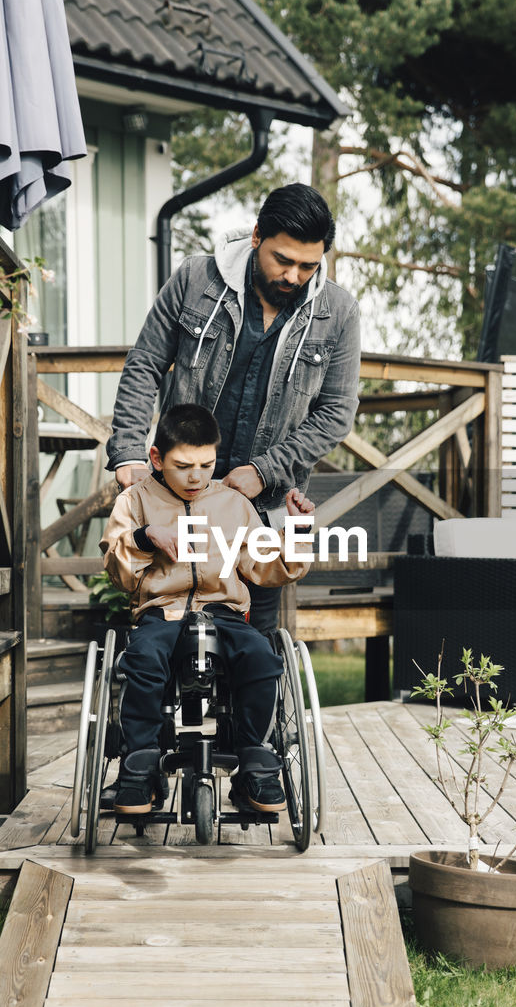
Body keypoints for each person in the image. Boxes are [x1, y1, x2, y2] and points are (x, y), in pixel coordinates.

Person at [106, 182, 360, 633]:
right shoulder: (194, 279)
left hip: (263, 506)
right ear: (257, 236)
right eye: (283, 260)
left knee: (253, 644)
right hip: (175, 493)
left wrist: (263, 470)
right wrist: (128, 452)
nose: (293, 276)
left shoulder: (338, 312)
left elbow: (335, 414)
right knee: (165, 633)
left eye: (308, 266)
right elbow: (144, 364)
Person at [98, 403, 315, 816]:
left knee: (261, 657)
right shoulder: (135, 501)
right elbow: (117, 569)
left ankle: (254, 759)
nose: (196, 477)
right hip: (162, 611)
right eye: (182, 466)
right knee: (143, 660)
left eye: (206, 464)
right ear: (157, 459)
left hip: (224, 610)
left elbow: (269, 567)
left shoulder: (232, 504)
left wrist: (298, 531)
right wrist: (145, 538)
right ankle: (141, 764)